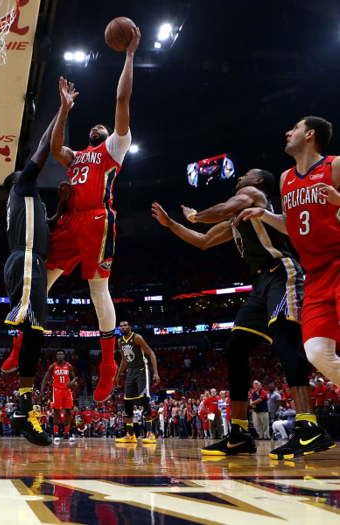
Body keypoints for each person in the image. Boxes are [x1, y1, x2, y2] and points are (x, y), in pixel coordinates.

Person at [152, 167, 332, 459]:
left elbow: (223, 208)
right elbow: (204, 241)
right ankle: (238, 433)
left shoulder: (252, 195)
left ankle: (309, 427)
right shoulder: (237, 219)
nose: (239, 178)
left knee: (284, 341)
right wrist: (171, 223)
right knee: (235, 350)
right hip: (260, 283)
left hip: (281, 272)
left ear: (258, 181)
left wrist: (196, 215)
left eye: (246, 174)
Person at [46, 27, 141, 404]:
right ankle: (23, 339)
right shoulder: (77, 156)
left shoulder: (115, 148)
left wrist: (129, 54)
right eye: (92, 127)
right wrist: (64, 109)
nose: (96, 127)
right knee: (42, 280)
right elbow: (55, 147)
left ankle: (107, 365)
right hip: (72, 220)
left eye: (100, 126)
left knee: (96, 291)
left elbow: (122, 97)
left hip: (99, 218)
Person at [235, 116, 339, 456]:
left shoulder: (335, 166)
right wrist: (264, 216)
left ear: (310, 135)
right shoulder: (285, 179)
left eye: (293, 128)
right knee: (316, 352)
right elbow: (291, 225)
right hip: (315, 273)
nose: (287, 132)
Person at [2, 90, 74, 448]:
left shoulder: (30, 205)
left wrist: (60, 206)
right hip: (28, 260)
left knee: (36, 332)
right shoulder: (22, 187)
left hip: (32, 261)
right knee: (33, 331)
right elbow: (45, 148)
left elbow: (50, 225)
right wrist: (61, 110)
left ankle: (23, 406)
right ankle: (22, 406)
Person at [114, 321, 159, 445]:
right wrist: (118, 375)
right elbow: (124, 360)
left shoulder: (137, 337)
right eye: (121, 326)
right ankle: (130, 435)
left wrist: (155, 372)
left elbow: (151, 353)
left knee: (144, 400)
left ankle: (150, 433)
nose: (123, 327)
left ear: (130, 327)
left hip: (141, 370)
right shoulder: (120, 341)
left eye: (125, 325)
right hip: (130, 372)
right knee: (127, 402)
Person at [40, 350, 78, 444]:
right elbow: (45, 378)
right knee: (56, 411)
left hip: (67, 390)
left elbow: (74, 377)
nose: (60, 355)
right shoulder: (52, 366)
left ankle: (66, 433)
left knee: (68, 411)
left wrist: (72, 382)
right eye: (58, 354)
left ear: (64, 356)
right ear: (56, 356)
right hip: (57, 390)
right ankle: (56, 433)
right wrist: (41, 391)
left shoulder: (69, 366)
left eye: (62, 354)